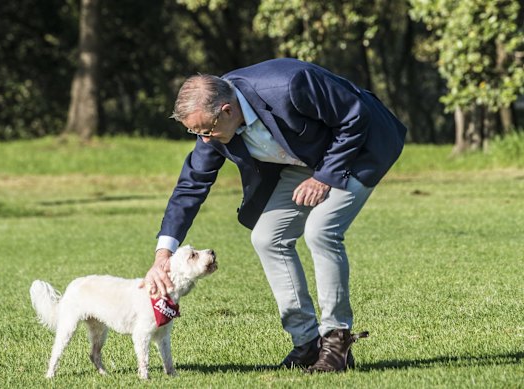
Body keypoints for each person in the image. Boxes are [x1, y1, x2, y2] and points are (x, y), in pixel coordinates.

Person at [141, 58, 406, 373]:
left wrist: (324, 178)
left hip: (363, 145)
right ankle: (307, 344)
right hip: (306, 158)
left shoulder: (290, 86)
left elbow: (354, 117)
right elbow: (191, 186)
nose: (206, 140)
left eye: (207, 131)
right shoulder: (213, 128)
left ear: (227, 110)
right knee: (267, 237)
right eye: (197, 134)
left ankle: (336, 342)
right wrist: (163, 255)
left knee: (321, 230)